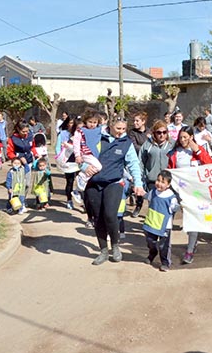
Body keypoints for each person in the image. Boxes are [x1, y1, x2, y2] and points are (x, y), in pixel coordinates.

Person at [85, 117, 145, 266]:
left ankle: (115, 246)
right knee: (98, 218)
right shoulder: (97, 137)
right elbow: (80, 156)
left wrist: (138, 183)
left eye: (123, 129)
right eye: (118, 128)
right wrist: (84, 168)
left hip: (114, 182)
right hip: (93, 183)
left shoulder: (126, 143)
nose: (121, 132)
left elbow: (133, 164)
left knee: (110, 215)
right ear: (110, 126)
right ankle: (103, 250)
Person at [168, 126, 212, 264]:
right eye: (180, 137)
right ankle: (166, 247)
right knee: (169, 215)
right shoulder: (175, 152)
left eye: (185, 137)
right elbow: (170, 170)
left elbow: (210, 165)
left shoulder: (198, 150)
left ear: (191, 137)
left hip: (194, 192)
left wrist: (198, 151)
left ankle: (190, 250)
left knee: (192, 219)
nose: (182, 140)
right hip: (178, 191)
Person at [143, 170, 179, 272]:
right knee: (150, 241)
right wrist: (141, 192)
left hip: (165, 226)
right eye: (158, 180)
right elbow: (148, 197)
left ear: (168, 185)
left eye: (163, 182)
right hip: (152, 222)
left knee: (164, 246)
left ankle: (165, 262)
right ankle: (152, 253)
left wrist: (177, 206)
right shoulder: (153, 191)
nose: (159, 183)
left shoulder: (171, 197)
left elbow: (174, 208)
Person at [138, 120, 175, 218]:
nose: (162, 135)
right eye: (159, 132)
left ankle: (166, 227)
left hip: (169, 181)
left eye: (164, 132)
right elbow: (141, 161)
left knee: (168, 205)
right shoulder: (147, 145)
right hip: (153, 180)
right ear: (154, 133)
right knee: (154, 205)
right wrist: (140, 177)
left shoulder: (172, 145)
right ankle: (152, 229)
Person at [70, 111, 103, 205]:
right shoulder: (80, 131)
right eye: (90, 122)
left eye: (94, 122)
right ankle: (82, 177)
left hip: (94, 155)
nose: (92, 125)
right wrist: (77, 155)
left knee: (93, 169)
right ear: (85, 121)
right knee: (98, 167)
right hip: (85, 153)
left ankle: (77, 190)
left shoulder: (99, 130)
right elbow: (76, 144)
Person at [55, 114, 79, 210]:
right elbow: (58, 147)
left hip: (78, 160)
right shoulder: (63, 134)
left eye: (74, 123)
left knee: (82, 181)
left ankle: (83, 200)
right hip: (67, 160)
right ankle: (69, 200)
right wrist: (59, 158)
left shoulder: (79, 133)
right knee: (70, 181)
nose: (72, 125)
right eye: (70, 123)